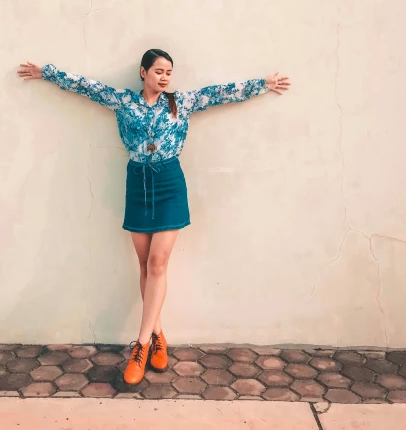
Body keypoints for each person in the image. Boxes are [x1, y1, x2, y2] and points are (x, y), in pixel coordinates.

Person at [18, 50, 290, 385]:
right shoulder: (123, 100)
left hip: (169, 183)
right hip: (137, 183)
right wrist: (46, 72)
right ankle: (159, 334)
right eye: (159, 71)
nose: (164, 77)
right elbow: (84, 86)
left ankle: (142, 345)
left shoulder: (182, 102)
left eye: (169, 72)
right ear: (143, 72)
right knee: (145, 265)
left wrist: (263, 83)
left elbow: (221, 92)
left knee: (158, 264)